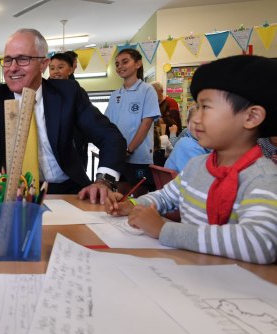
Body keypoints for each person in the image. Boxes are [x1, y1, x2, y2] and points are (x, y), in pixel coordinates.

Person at [0, 19, 126, 204]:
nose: (12, 68)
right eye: (7, 60)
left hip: (64, 190)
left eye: (22, 59)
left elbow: (110, 137)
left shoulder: (68, 94)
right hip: (3, 192)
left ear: (44, 64)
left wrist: (103, 182)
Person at [106, 55, 277, 264]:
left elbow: (259, 243)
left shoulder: (262, 177)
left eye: (205, 107)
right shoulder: (198, 166)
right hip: (190, 273)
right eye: (196, 107)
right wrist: (131, 204)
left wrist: (164, 230)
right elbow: (164, 198)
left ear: (251, 117)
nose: (195, 118)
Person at [104, 48, 161, 192]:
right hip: (117, 157)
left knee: (137, 196)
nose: (120, 67)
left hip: (138, 158)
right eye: (117, 64)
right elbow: (108, 125)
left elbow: (146, 123)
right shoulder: (115, 95)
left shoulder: (147, 90)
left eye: (125, 62)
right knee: (117, 195)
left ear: (138, 64)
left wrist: (129, 150)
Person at [164, 106, 210, 173]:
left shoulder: (193, 142)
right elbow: (202, 176)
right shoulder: (188, 145)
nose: (202, 126)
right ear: (187, 124)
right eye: (197, 123)